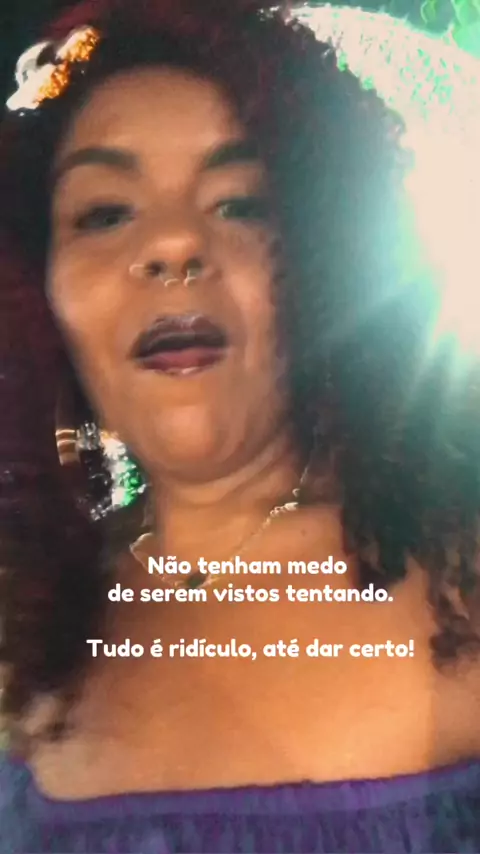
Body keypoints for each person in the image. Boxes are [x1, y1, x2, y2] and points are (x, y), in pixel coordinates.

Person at [0, 0, 479, 851]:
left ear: (329, 258)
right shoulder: (28, 630)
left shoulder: (463, 576)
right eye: (105, 213)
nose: (174, 245)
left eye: (241, 204)